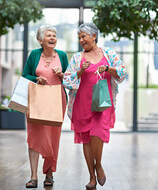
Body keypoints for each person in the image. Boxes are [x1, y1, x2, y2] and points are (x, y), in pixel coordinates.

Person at [63, 23, 126, 190]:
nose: (81, 40)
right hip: (82, 104)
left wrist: (108, 68)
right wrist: (80, 72)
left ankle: (98, 166)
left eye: (84, 36)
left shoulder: (108, 53)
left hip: (102, 102)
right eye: (79, 38)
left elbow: (122, 72)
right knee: (86, 140)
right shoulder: (77, 58)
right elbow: (67, 80)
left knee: (97, 134)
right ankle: (92, 177)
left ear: (94, 36)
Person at [22, 25, 68, 188]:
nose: (52, 38)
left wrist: (62, 75)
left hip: (57, 100)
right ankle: (33, 177)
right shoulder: (34, 55)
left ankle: (49, 174)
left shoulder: (62, 55)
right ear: (41, 40)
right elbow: (25, 74)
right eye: (48, 35)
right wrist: (37, 79)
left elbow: (69, 80)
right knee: (34, 136)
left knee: (52, 138)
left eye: (54, 35)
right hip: (37, 100)